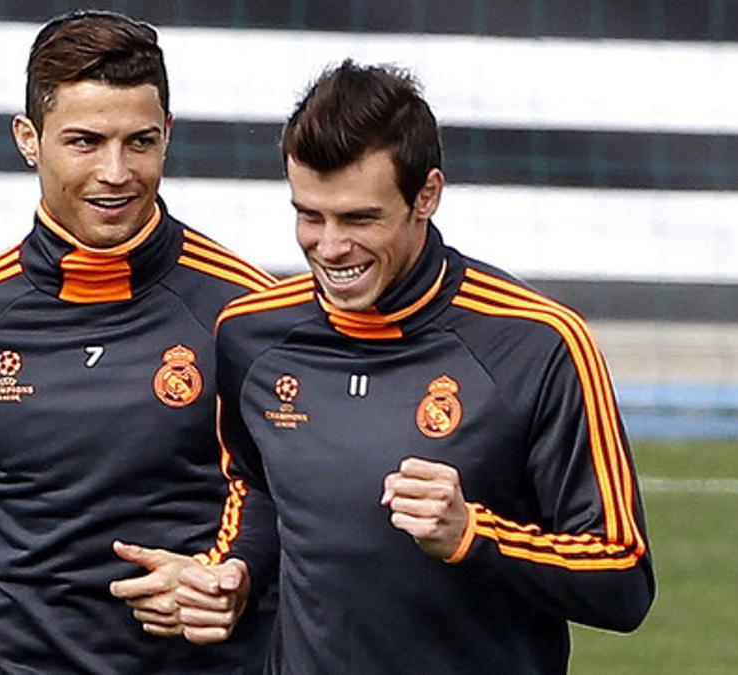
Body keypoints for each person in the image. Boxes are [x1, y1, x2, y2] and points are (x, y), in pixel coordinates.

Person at [0, 11, 276, 674]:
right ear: (29, 139)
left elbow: (304, 491)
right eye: (85, 142)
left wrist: (234, 574)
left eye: (139, 142)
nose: (115, 172)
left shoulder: (247, 315)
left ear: (168, 135)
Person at [162, 61, 655, 673]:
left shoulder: (538, 344)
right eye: (310, 215)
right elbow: (257, 489)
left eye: (360, 219)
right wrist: (233, 569)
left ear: (426, 195)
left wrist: (472, 537)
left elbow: (623, 579)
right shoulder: (250, 335)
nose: (331, 247)